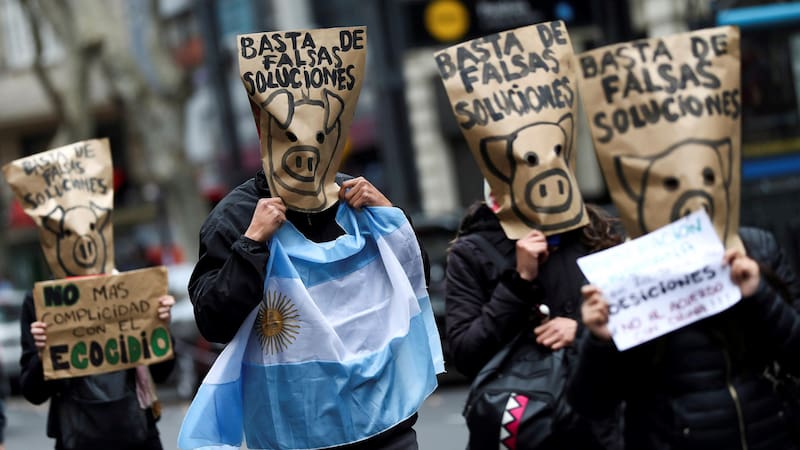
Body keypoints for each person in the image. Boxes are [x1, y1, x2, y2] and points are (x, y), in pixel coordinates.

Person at [186, 169, 436, 449]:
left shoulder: (354, 194)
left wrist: (389, 215)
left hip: (385, 426)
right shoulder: (235, 216)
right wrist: (252, 242)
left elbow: (414, 279)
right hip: (296, 438)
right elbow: (213, 321)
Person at [570, 231, 800, 450]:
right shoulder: (612, 278)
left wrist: (761, 293)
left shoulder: (756, 247)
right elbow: (591, 405)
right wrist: (601, 342)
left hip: (771, 435)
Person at [445, 198, 624, 449]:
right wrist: (519, 281)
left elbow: (639, 324)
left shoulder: (595, 232)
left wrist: (581, 331)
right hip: (522, 425)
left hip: (600, 424)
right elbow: (466, 353)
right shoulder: (474, 249)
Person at [19, 291, 177, 450]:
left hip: (137, 434)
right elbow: (34, 393)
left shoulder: (133, 289)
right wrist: (43, 355)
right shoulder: (42, 299)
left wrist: (160, 328)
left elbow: (162, 373)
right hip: (77, 436)